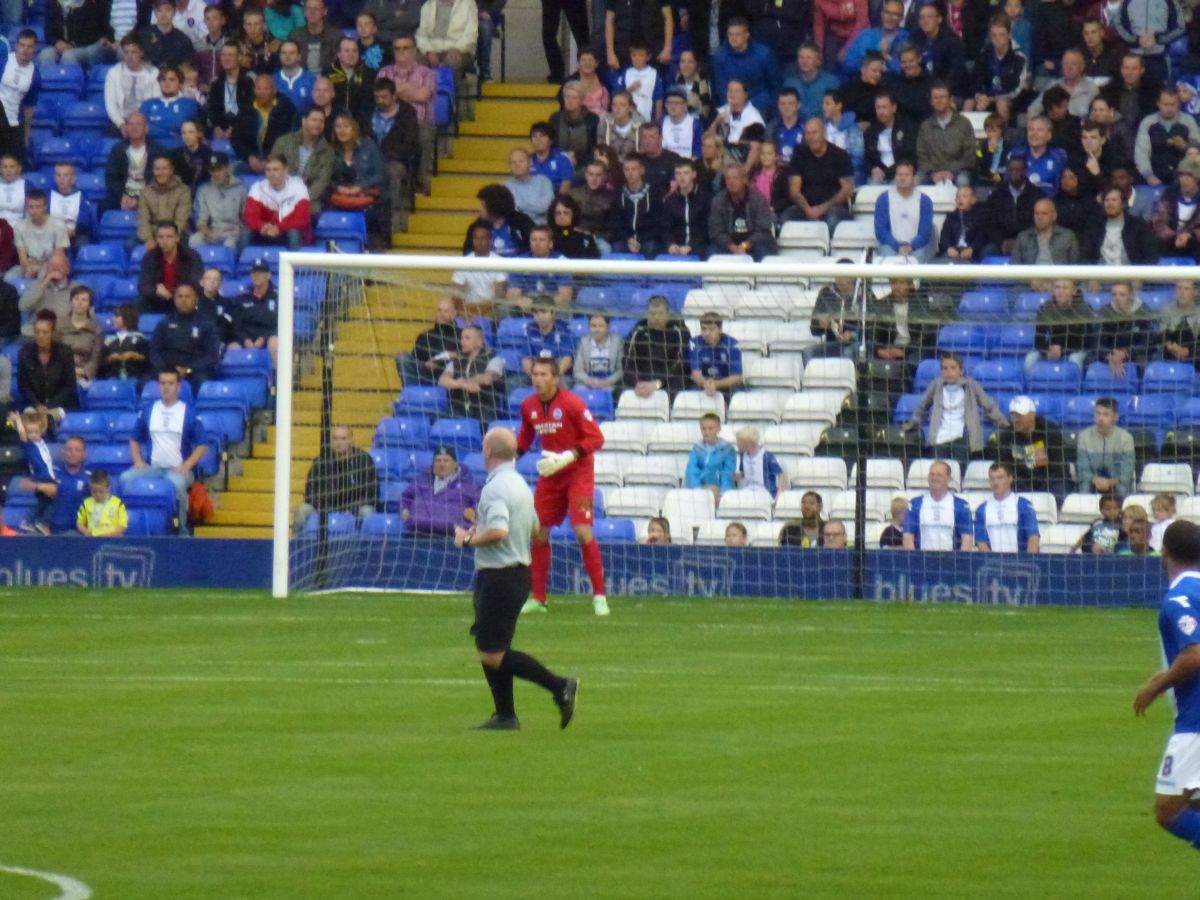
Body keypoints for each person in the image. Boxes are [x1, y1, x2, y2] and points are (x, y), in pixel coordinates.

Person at [454, 426, 578, 731]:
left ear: (488, 452)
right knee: (492, 645)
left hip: (501, 574)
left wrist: (468, 540)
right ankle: (505, 715)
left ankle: (559, 685)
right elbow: (535, 531)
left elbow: (499, 531)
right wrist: (481, 532)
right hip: (515, 572)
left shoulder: (496, 488)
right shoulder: (521, 484)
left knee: (492, 653)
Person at [517, 357, 608, 617]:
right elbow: (525, 437)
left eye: (543, 374)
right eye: (535, 374)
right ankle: (539, 599)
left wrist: (570, 455)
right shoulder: (529, 406)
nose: (538, 379)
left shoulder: (572, 403)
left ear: (555, 378)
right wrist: (508, 461)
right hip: (552, 473)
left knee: (582, 531)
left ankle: (599, 597)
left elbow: (596, 438)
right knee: (537, 533)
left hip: (578, 471)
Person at [120, 368, 208, 533]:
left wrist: (187, 465)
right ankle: (127, 528)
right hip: (152, 468)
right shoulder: (148, 410)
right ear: (158, 386)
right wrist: (138, 461)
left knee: (178, 484)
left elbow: (202, 443)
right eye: (163, 383)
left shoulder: (188, 412)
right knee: (125, 478)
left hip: (177, 469)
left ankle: (182, 530)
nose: (166, 387)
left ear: (179, 387)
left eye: (171, 383)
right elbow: (134, 438)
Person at [906, 353, 1009, 470]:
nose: (948, 372)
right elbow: (922, 407)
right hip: (939, 438)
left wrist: (1004, 423)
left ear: (961, 370)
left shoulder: (971, 385)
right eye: (945, 368)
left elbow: (988, 406)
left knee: (959, 470)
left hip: (962, 439)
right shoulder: (936, 385)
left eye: (953, 368)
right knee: (939, 470)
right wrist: (913, 423)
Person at [379, 34, 437, 192]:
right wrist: (410, 89)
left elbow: (422, 96)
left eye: (405, 48)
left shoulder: (427, 73)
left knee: (424, 133)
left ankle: (419, 181)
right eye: (397, 48)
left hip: (419, 123)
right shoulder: (384, 73)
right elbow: (382, 98)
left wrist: (397, 91)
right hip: (390, 122)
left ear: (414, 51)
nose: (401, 51)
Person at [294, 424, 378, 531]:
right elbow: (310, 493)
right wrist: (325, 509)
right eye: (335, 438)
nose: (339, 442)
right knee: (302, 510)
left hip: (355, 509)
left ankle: (362, 546)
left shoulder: (364, 460)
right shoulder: (321, 462)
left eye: (343, 439)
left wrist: (352, 509)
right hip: (325, 508)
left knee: (367, 512)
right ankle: (296, 544)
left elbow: (372, 492)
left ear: (351, 440)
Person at [993, 395, 1070, 501]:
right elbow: (1005, 467)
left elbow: (1059, 468)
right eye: (1013, 415)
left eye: (1019, 416)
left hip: (1049, 482)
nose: (1015, 420)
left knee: (1058, 489)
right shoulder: (1007, 436)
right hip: (1020, 483)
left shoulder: (1050, 432)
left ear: (1032, 415)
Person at [786, 117, 854, 231]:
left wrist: (821, 209)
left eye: (814, 133)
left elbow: (847, 190)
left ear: (824, 133)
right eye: (807, 133)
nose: (811, 137)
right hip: (805, 207)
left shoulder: (840, 155)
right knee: (787, 218)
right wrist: (807, 209)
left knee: (833, 220)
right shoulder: (799, 155)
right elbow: (794, 191)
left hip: (833, 207)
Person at [149, 283, 220, 391]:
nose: (183, 300)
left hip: (196, 371)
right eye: (180, 296)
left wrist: (188, 369)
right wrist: (168, 370)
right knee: (145, 382)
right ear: (174, 299)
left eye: (188, 296)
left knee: (203, 383)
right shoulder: (164, 323)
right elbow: (155, 352)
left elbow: (211, 355)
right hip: (168, 370)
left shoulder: (206, 324)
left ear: (196, 299)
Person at [401, 444, 479, 536]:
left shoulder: (469, 483)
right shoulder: (422, 480)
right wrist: (404, 510)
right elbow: (405, 496)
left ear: (455, 464)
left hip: (452, 539)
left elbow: (481, 502)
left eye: (446, 460)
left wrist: (474, 511)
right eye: (438, 460)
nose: (441, 464)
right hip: (416, 536)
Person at [623, 294, 691, 398]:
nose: (656, 317)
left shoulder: (679, 330)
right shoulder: (639, 330)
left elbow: (681, 364)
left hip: (669, 380)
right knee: (620, 390)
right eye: (652, 314)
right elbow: (628, 360)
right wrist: (637, 382)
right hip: (641, 379)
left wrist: (657, 384)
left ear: (668, 314)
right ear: (647, 314)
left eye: (660, 314)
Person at [18, 310, 77, 425]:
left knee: (49, 418)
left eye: (45, 332)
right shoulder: (25, 352)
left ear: (52, 333)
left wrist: (49, 406)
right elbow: (23, 386)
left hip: (59, 405)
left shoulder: (65, 352)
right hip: (33, 406)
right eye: (37, 332)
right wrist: (37, 405)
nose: (40, 336)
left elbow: (69, 386)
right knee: (29, 419)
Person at [709, 162, 776, 261]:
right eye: (728, 178)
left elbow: (763, 231)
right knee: (711, 253)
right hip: (729, 244)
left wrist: (744, 246)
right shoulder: (718, 201)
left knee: (764, 252)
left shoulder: (759, 199)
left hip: (754, 243)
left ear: (744, 179)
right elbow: (716, 232)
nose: (731, 182)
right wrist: (732, 247)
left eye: (735, 178)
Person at [438, 324, 505, 422]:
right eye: (462, 338)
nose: (462, 341)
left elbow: (487, 379)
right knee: (440, 419)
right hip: (458, 409)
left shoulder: (494, 359)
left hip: (484, 409)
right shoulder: (457, 360)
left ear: (479, 342)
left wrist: (466, 380)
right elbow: (442, 380)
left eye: (467, 338)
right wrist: (462, 384)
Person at [915, 81, 977, 186]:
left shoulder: (964, 123)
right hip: (931, 173)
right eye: (935, 97)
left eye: (942, 97)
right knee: (915, 181)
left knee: (963, 181)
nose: (939, 100)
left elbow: (969, 155)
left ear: (950, 99)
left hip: (958, 172)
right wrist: (934, 173)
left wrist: (950, 171)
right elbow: (922, 156)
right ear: (931, 101)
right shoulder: (925, 126)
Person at [233, 74, 299, 173]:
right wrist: (249, 157)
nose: (262, 93)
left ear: (274, 90)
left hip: (277, 160)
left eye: (266, 89)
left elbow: (289, 140)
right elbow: (236, 139)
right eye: (258, 89)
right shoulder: (246, 110)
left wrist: (270, 159)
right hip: (251, 161)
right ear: (254, 90)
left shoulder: (286, 110)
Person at [244, 154, 313, 249]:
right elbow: (250, 218)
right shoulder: (257, 187)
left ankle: (296, 263)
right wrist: (263, 226)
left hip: (287, 232)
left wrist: (279, 227)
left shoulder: (299, 187)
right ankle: (240, 261)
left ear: (285, 171)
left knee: (294, 232)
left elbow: (302, 220)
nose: (271, 174)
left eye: (276, 170)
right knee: (247, 231)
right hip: (265, 232)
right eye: (268, 170)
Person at [902, 461, 973, 551]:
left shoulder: (960, 505)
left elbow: (967, 539)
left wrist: (959, 564)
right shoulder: (915, 504)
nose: (934, 478)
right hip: (922, 562)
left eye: (939, 475)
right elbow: (907, 537)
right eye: (932, 474)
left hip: (952, 562)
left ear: (949, 479)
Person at [712, 18, 777, 114]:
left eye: (737, 34)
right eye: (730, 34)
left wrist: (750, 106)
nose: (733, 38)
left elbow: (774, 86)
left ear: (747, 35)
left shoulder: (764, 54)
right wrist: (734, 105)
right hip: (731, 106)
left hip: (760, 106)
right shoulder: (719, 57)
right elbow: (721, 88)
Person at [7, 410, 56, 534]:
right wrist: (18, 420)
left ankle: (33, 522)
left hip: (48, 475)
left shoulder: (41, 442)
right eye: (30, 432)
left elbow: (43, 427)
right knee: (53, 499)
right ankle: (39, 522)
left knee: (44, 501)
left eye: (36, 432)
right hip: (41, 476)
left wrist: (44, 415)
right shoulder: (29, 445)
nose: (33, 435)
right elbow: (22, 433)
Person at [973, 462, 1040, 553]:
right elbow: (981, 542)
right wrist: (993, 562)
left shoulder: (1023, 505)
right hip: (992, 564)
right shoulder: (982, 509)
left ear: (1010, 478)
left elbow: (1033, 537)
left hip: (1020, 563)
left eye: (1000, 478)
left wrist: (1027, 561)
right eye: (992, 479)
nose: (995, 482)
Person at [873, 160, 934, 261]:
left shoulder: (925, 201)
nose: (902, 178)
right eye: (899, 174)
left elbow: (925, 232)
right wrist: (897, 247)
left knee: (918, 257)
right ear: (895, 177)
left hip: (916, 247)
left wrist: (911, 247)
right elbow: (881, 231)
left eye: (906, 175)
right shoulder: (883, 199)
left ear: (914, 178)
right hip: (890, 246)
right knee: (886, 256)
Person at [1076, 397, 1136, 498]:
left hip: (1116, 481)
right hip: (1093, 481)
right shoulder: (1084, 436)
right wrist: (1095, 480)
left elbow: (1127, 471)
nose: (1100, 418)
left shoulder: (1126, 438)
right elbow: (1083, 469)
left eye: (1106, 414)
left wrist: (1110, 482)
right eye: (1097, 413)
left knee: (1122, 488)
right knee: (1085, 487)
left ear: (1116, 417)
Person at [139, 221, 204, 314]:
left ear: (177, 238)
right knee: (139, 302)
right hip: (157, 299)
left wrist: (174, 293)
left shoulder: (191, 256)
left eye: (169, 237)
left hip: (182, 299)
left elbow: (195, 283)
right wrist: (156, 290)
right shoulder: (150, 257)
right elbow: (143, 285)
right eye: (161, 237)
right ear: (156, 239)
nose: (165, 241)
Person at [608, 154, 662, 257]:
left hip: (647, 239)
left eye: (633, 169)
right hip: (625, 239)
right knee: (616, 247)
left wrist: (639, 240)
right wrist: (628, 239)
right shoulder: (618, 193)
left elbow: (658, 223)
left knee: (651, 247)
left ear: (642, 170)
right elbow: (615, 223)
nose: (630, 173)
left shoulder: (654, 193)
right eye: (626, 170)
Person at [105, 112, 162, 212]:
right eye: (130, 124)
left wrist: (142, 199)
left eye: (138, 124)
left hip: (149, 196)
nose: (134, 128)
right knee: (104, 206)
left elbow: (160, 179)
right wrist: (122, 196)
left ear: (146, 128)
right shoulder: (118, 149)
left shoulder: (157, 150)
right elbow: (111, 177)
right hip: (123, 195)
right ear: (126, 128)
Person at [192, 153, 248, 250]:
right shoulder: (204, 189)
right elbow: (201, 219)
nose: (216, 174)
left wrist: (239, 231)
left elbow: (246, 217)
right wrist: (207, 232)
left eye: (219, 169)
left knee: (229, 245)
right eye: (212, 170)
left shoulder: (241, 188)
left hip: (235, 232)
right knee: (195, 239)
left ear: (227, 168)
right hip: (213, 230)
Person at [402, 296, 460, 386]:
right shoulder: (424, 336)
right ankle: (411, 394)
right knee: (403, 358)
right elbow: (416, 361)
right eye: (439, 310)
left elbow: (466, 356)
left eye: (446, 311)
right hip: (427, 374)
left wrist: (437, 361)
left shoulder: (462, 335)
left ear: (454, 314)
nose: (442, 314)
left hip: (450, 375)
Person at [11, 190, 69, 281]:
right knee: (10, 277)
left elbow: (58, 256)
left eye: (38, 207)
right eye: (31, 207)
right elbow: (23, 258)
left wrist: (40, 268)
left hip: (51, 267)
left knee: (42, 276)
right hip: (29, 265)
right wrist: (29, 268)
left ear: (45, 207)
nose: (34, 211)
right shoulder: (19, 227)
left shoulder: (59, 226)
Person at [137, 156, 192, 248]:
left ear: (171, 170)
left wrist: (166, 238)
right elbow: (143, 220)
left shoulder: (183, 191)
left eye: (164, 169)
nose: (161, 173)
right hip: (153, 232)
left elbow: (181, 220)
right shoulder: (145, 192)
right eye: (157, 169)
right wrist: (148, 238)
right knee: (129, 245)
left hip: (176, 233)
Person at [1152, 158, 1200, 259]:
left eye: (1189, 176)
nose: (1184, 180)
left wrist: (1189, 236)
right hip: (1168, 249)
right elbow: (1158, 224)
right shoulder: (1168, 198)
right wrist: (1175, 237)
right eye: (1181, 175)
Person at [58, 285, 103, 390]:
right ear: (70, 302)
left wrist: (82, 372)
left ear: (89, 305)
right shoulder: (58, 326)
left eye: (84, 300)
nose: (79, 302)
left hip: (84, 376)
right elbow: (54, 354)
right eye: (76, 298)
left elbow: (95, 358)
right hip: (60, 374)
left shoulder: (97, 330)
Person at [688, 311, 743, 398]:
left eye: (712, 329)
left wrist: (716, 384)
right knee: (688, 395)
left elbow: (737, 377)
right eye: (704, 329)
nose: (707, 333)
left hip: (726, 383)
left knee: (738, 395)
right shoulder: (694, 343)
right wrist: (706, 384)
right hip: (704, 383)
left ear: (720, 330)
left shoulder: (733, 344)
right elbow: (696, 374)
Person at [1011, 198, 1081, 265]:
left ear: (1054, 216)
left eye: (1044, 213)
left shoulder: (1068, 236)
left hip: (1059, 276)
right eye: (1036, 213)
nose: (1039, 217)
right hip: (1031, 276)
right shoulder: (1023, 237)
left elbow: (1076, 266)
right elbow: (1014, 266)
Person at [686, 411, 736, 504]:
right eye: (703, 429)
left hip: (719, 490)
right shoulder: (697, 448)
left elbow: (728, 473)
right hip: (701, 489)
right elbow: (692, 470)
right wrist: (697, 489)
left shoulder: (727, 450)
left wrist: (723, 493)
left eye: (710, 429)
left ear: (718, 429)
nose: (706, 432)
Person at [18, 251, 71, 335]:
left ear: (67, 269)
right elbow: (23, 306)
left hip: (63, 333)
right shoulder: (35, 286)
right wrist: (44, 283)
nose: (55, 268)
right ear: (46, 268)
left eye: (59, 265)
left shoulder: (75, 289)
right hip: (36, 332)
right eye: (52, 265)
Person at [49, 163, 97, 249]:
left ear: (73, 179)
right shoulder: (48, 196)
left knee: (82, 242)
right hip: (51, 234)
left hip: (75, 234)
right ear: (55, 178)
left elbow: (84, 224)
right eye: (59, 175)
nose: (61, 179)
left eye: (66, 175)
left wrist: (70, 232)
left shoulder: (82, 197)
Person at [100, 304, 151, 383]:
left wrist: (134, 355)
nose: (113, 319)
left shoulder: (139, 339)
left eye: (117, 316)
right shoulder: (109, 340)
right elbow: (101, 362)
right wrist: (110, 358)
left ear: (127, 317)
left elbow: (147, 360)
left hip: (134, 377)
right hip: (113, 377)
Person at [733, 425, 786, 498]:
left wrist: (779, 491)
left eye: (739, 442)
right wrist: (735, 476)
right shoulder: (743, 456)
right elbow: (744, 473)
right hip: (748, 489)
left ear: (748, 444)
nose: (737, 445)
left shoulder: (766, 456)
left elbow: (780, 473)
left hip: (765, 491)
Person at [938, 185, 987, 260]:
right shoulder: (951, 217)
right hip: (955, 250)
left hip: (972, 250)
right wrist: (949, 248)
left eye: (964, 197)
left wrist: (972, 248)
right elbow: (944, 237)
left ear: (973, 200)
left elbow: (982, 236)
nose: (960, 200)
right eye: (958, 197)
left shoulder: (980, 216)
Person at [77, 470, 129, 537]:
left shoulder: (118, 503)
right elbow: (80, 523)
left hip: (112, 538)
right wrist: (86, 532)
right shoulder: (86, 503)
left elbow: (123, 525)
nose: (98, 494)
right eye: (94, 492)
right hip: (93, 538)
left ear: (108, 488)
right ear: (90, 489)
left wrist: (112, 535)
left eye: (101, 491)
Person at [1162, 280, 1200, 367]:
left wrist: (1187, 351)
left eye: (1186, 289)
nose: (1182, 293)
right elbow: (1162, 337)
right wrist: (1171, 347)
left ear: (1195, 292)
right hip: (1170, 355)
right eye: (1179, 288)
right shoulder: (1167, 311)